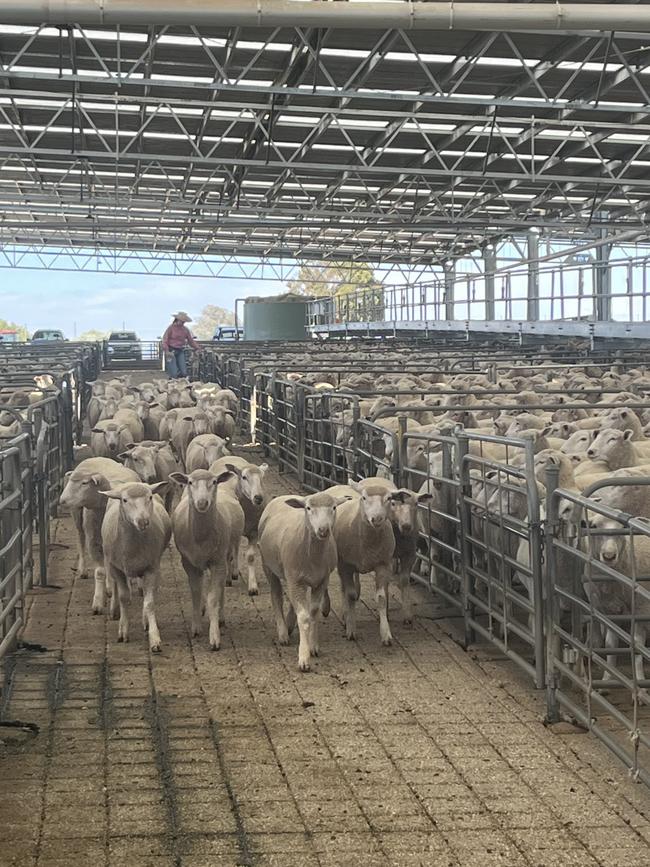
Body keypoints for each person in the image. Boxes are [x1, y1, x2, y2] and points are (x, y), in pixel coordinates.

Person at [162, 311, 199, 379]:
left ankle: (180, 383)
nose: (182, 323)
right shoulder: (171, 328)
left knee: (184, 372)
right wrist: (166, 350)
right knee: (174, 373)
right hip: (171, 351)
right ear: (177, 320)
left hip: (180, 350)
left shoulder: (185, 330)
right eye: (182, 321)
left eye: (184, 321)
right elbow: (165, 340)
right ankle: (173, 383)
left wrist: (197, 348)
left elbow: (190, 341)